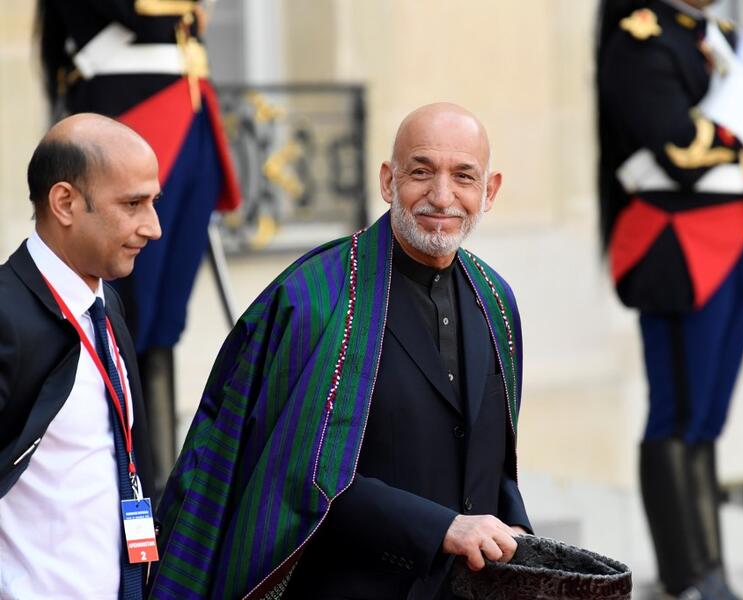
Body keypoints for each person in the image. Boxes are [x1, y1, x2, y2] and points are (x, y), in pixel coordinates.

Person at [149, 103, 532, 599]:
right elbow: (291, 478)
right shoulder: (314, 300)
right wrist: (440, 528)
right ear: (388, 181)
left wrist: (515, 528)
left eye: (463, 176)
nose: (442, 195)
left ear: (490, 191)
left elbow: (495, 462)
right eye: (421, 172)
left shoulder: (497, 301)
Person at [596, 0, 743, 597]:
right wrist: (742, 96)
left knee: (708, 421)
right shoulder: (640, 39)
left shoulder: (717, 36)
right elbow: (679, 151)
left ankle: (713, 572)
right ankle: (687, 578)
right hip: (680, 245)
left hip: (739, 237)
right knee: (678, 416)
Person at [35, 0, 242, 500]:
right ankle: (132, 477)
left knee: (164, 321)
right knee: (124, 312)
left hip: (190, 114)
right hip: (135, 115)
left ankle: (161, 476)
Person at [0, 114, 161, 598]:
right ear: (64, 203)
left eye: (153, 202)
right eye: (133, 204)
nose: (152, 227)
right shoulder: (5, 313)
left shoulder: (106, 302)